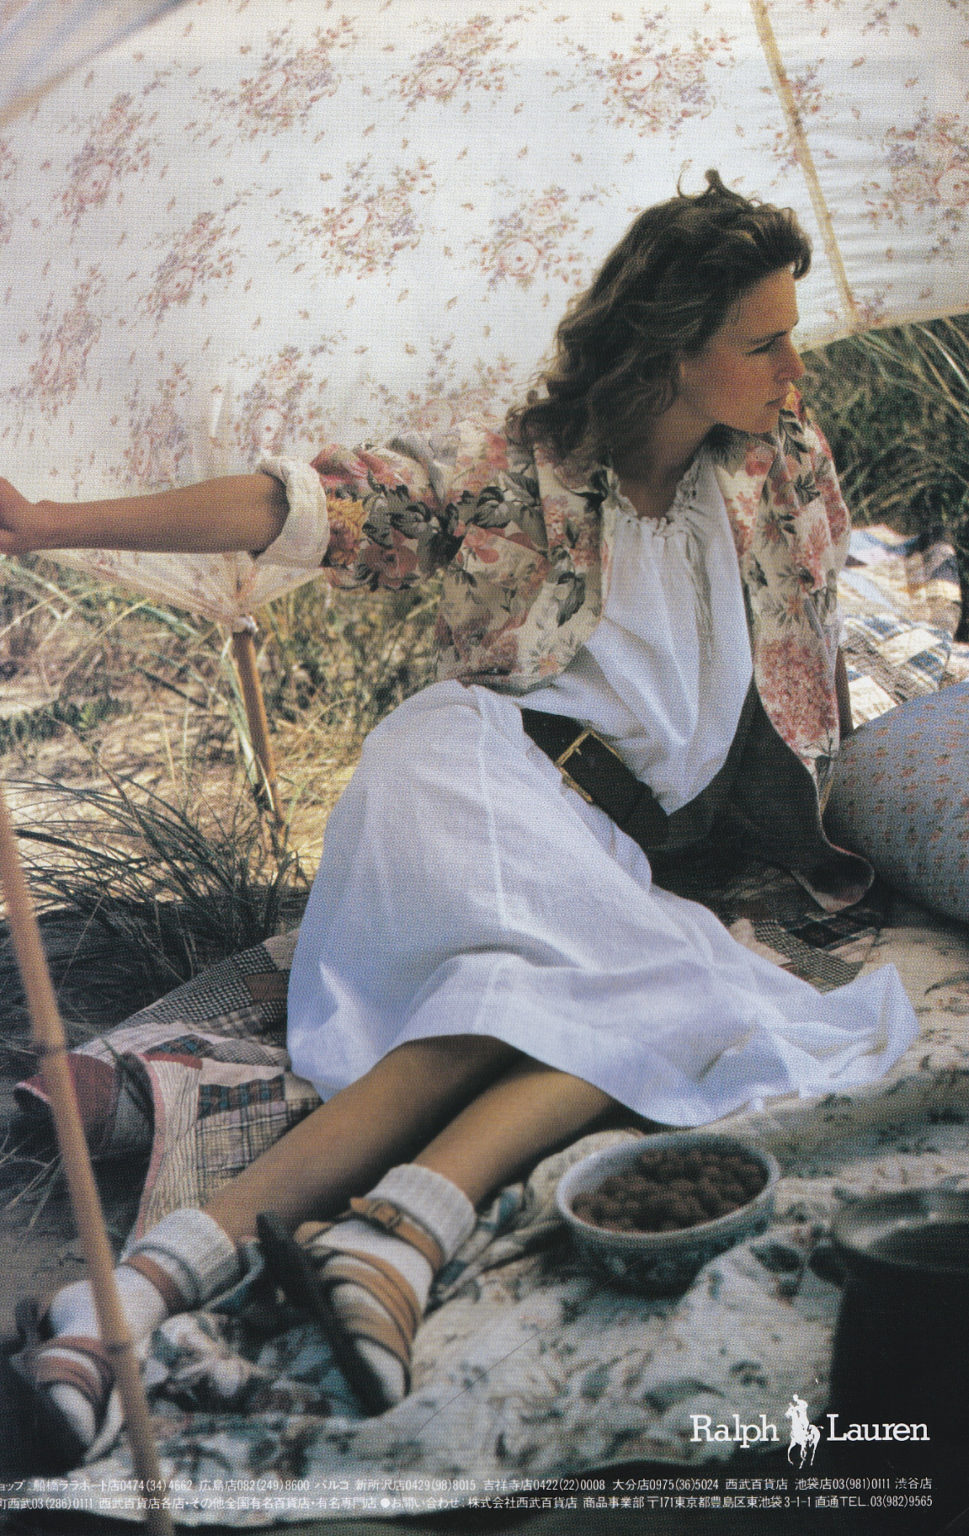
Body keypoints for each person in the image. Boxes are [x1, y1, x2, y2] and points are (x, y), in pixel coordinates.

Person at [0, 172, 918, 1464]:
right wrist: (46, 526)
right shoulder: (518, 476)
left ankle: (138, 1294)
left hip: (597, 838)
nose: (793, 369)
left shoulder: (777, 466)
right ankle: (395, 1238)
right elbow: (299, 508)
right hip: (473, 776)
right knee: (651, 993)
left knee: (611, 1004)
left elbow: (804, 649)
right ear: (672, 351)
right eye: (763, 343)